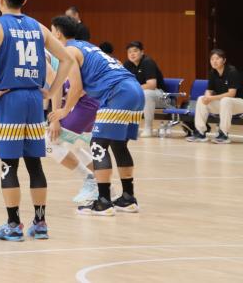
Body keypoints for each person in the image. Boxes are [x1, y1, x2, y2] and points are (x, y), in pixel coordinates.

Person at [0, 0, 74, 242]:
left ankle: (13, 225)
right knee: (34, 164)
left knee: (9, 165)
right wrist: (51, 91)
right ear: (25, 0)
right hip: (33, 99)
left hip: (10, 99)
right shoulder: (38, 27)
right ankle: (40, 223)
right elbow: (66, 59)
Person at [48, 16, 145, 216]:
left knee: (98, 145)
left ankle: (103, 202)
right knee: (118, 145)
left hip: (118, 93)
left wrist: (63, 111)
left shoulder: (68, 51)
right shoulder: (88, 46)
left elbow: (77, 87)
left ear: (57, 33)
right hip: (135, 90)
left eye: (51, 30)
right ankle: (128, 198)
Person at [43, 25, 101, 205]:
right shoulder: (66, 50)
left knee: (49, 144)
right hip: (87, 103)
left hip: (82, 104)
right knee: (76, 146)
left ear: (58, 32)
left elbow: (57, 85)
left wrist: (56, 118)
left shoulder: (45, 53)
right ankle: (106, 189)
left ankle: (90, 180)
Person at [188, 49, 243, 144]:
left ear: (224, 60)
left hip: (238, 103)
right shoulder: (213, 72)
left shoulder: (232, 71)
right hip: (224, 104)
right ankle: (200, 133)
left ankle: (223, 135)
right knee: (201, 99)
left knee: (226, 100)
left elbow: (231, 94)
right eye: (212, 59)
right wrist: (206, 97)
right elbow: (209, 90)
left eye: (217, 58)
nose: (214, 61)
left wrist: (211, 98)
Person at [123, 42, 167, 137]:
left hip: (161, 96)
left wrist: (132, 89)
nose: (132, 54)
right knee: (123, 94)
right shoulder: (127, 64)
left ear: (142, 52)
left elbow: (152, 85)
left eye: (135, 51)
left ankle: (148, 128)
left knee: (146, 93)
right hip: (139, 94)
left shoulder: (147, 62)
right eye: (129, 52)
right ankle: (129, 128)